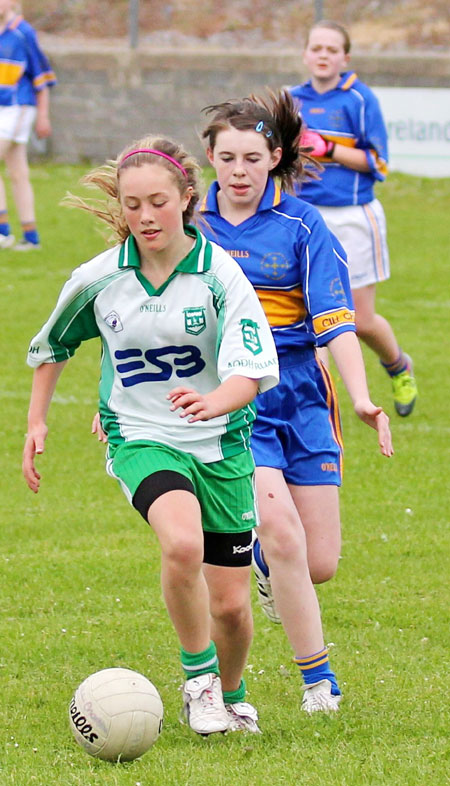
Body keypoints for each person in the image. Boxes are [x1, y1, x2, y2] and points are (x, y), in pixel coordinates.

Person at [22, 136, 280, 735]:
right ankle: (198, 682)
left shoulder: (220, 275)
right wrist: (37, 420)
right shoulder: (99, 279)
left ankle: (233, 692)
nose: (144, 216)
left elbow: (252, 369)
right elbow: (51, 344)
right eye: (132, 204)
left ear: (187, 200)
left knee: (233, 609)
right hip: (139, 436)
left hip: (221, 445)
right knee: (182, 544)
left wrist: (214, 400)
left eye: (158, 202)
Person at [200, 88, 393, 712]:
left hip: (305, 393)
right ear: (209, 157)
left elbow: (336, 321)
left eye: (252, 159)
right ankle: (320, 683)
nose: (238, 172)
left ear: (274, 156)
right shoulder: (189, 226)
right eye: (227, 158)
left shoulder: (304, 223)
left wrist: (361, 397)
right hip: (236, 396)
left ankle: (260, 563)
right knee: (281, 528)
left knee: (318, 563)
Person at [290, 20, 418, 417]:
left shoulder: (360, 100)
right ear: (306, 53)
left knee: (359, 320)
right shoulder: (289, 98)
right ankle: (318, 410)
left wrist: (327, 147)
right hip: (305, 218)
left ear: (345, 58)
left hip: (354, 216)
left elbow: (378, 162)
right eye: (316, 48)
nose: (323, 55)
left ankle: (398, 365)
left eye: (332, 49)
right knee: (310, 321)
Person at [0, 1, 56, 251]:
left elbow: (41, 79)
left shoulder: (23, 33)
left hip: (19, 107)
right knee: (18, 172)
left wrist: (43, 116)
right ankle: (30, 236)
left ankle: (3, 232)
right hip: (3, 109)